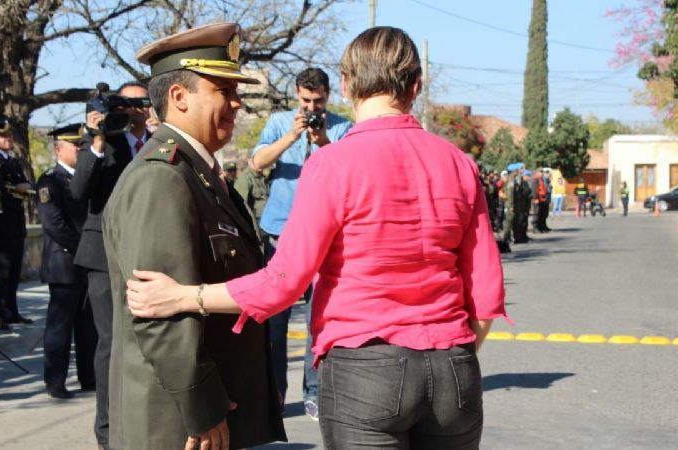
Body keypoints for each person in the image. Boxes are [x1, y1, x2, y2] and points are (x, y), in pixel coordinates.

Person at [126, 26, 507, 449]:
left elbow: (283, 284)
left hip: (366, 370)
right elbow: (486, 294)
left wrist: (186, 297)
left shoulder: (332, 164)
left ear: (345, 85)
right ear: (415, 86)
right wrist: (452, 359)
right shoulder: (458, 163)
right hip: (454, 368)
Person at [101, 23, 286, 449]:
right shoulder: (162, 179)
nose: (236, 102)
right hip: (180, 424)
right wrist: (203, 410)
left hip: (214, 412)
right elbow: (158, 314)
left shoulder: (201, 175)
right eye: (223, 88)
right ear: (179, 97)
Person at [251, 67, 353, 419]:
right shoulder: (280, 123)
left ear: (329, 97)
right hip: (281, 235)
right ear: (297, 95)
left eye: (320, 101)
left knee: (316, 323)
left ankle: (313, 391)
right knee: (274, 323)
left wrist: (322, 140)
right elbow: (257, 163)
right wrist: (292, 137)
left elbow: (348, 170)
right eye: (307, 101)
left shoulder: (342, 127)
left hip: (324, 238)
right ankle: (274, 394)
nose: (313, 107)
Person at [70, 80, 152, 449]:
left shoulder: (157, 143)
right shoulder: (103, 141)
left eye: (140, 103)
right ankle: (107, 430)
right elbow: (79, 190)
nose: (133, 110)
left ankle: (143, 418)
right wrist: (96, 139)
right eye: (125, 104)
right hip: (103, 255)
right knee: (111, 342)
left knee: (147, 339)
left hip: (145, 254)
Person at [36, 124, 97, 399]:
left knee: (88, 327)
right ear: (59, 149)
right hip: (64, 263)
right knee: (60, 326)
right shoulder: (50, 180)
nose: (81, 150)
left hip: (86, 263)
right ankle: (55, 380)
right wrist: (84, 247)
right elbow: (54, 224)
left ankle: (89, 376)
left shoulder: (86, 177)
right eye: (76, 146)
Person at [0, 118, 34, 330]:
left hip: (15, 222)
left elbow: (21, 184)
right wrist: (18, 189)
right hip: (1, 223)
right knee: (0, 271)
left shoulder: (12, 161)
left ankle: (11, 311)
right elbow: (0, 190)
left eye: (10, 136)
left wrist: (21, 189)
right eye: (5, 136)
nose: (9, 139)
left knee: (13, 270)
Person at [233, 156, 270, 228]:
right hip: (256, 221)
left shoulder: (262, 177)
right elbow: (240, 205)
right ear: (250, 161)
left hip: (267, 218)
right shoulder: (245, 179)